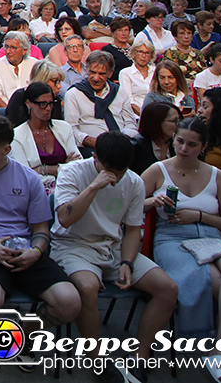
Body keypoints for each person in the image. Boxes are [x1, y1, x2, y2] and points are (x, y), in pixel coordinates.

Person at [0, 116, 81, 368]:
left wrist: (35, 251)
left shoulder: (29, 179)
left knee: (70, 302)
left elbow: (41, 229)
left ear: (5, 149)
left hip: (24, 250)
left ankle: (22, 333)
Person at [52, 131, 179, 380]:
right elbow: (65, 218)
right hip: (74, 245)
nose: (116, 177)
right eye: (110, 170)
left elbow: (133, 229)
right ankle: (96, 359)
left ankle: (140, 358)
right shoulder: (72, 172)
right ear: (95, 158)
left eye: (121, 171)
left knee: (168, 288)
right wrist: (94, 186)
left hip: (114, 247)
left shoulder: (133, 182)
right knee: (87, 287)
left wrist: (127, 262)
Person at [140, 118, 221, 381]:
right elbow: (128, 204)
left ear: (202, 147)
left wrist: (199, 216)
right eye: (180, 141)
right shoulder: (158, 170)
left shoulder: (216, 176)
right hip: (172, 240)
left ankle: (220, 352)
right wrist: (151, 201)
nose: (183, 148)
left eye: (192, 144)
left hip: (211, 237)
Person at [10, 82, 82, 192]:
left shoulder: (64, 128)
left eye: (51, 103)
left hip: (69, 187)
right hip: (35, 190)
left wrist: (41, 169)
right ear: (29, 103)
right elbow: (24, 174)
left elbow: (78, 164)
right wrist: (62, 167)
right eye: (43, 104)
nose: (48, 108)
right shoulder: (17, 135)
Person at [64, 50, 137, 146]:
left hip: (122, 144)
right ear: (87, 70)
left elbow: (131, 124)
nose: (96, 78)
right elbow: (71, 129)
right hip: (91, 147)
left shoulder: (120, 92)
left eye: (102, 74)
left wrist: (121, 140)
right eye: (92, 72)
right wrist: (92, 141)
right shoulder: (74, 94)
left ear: (110, 74)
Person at [0, 31, 37, 111]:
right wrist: (12, 112)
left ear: (24, 51)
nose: (8, 51)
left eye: (13, 48)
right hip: (5, 112)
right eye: (6, 47)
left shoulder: (35, 65)